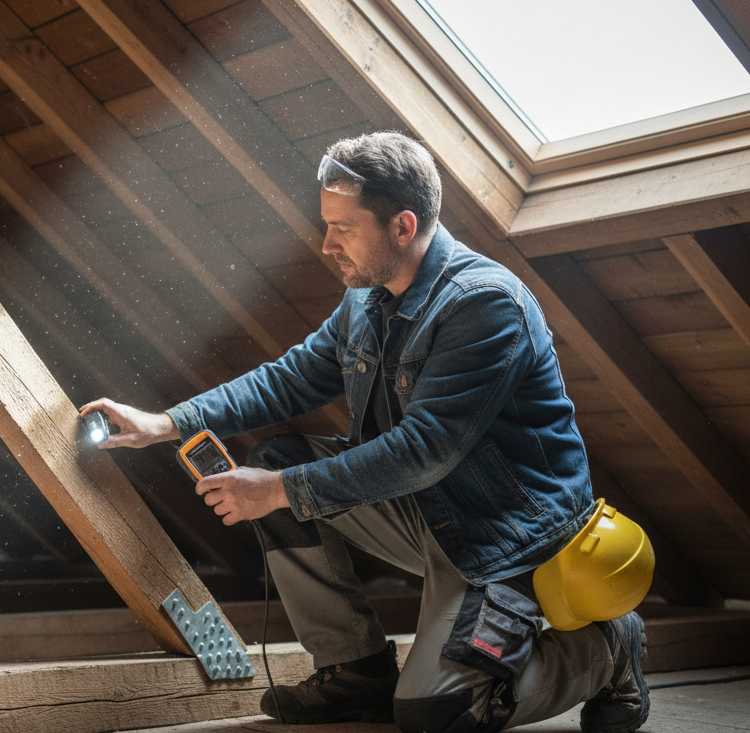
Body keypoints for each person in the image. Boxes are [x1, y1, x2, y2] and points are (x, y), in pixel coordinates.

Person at [80, 132, 648, 733]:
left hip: (503, 539)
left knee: (438, 713)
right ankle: (355, 671)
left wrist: (279, 490)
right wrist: (165, 424)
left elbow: (423, 450)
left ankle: (607, 649)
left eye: (343, 229)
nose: (327, 244)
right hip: (425, 510)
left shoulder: (485, 305)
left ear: (403, 227)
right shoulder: (367, 301)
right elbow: (291, 378)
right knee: (276, 462)